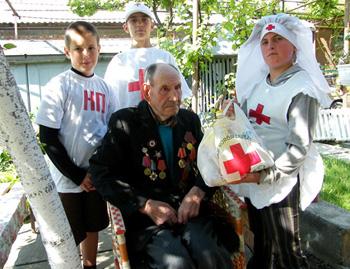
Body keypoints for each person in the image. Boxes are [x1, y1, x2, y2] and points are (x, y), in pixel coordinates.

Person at [89, 63, 237, 268]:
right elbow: (101, 173)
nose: (175, 96)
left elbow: (210, 161)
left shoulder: (189, 120)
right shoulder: (125, 122)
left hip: (190, 214)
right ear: (147, 92)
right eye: (165, 89)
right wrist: (145, 204)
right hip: (148, 223)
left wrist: (198, 192)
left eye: (177, 87)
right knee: (177, 264)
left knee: (211, 255)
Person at [229, 14, 331, 269]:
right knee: (261, 246)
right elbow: (248, 124)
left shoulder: (302, 88)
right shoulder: (256, 85)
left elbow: (299, 148)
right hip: (254, 174)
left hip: (281, 180)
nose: (270, 46)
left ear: (294, 46)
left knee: (288, 254)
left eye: (278, 39)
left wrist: (266, 175)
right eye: (265, 42)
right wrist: (233, 113)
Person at [36, 21, 118, 269]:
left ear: (99, 48)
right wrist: (76, 175)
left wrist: (95, 171)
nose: (86, 55)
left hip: (94, 176)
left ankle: (89, 265)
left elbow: (110, 133)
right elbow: (47, 138)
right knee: (71, 232)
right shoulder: (59, 85)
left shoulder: (105, 88)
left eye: (91, 48)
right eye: (79, 49)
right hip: (67, 179)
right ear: (66, 51)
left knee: (93, 226)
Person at [104, 2, 192, 109]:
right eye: (134, 20)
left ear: (152, 25)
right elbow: (108, 101)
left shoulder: (165, 57)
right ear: (126, 27)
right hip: (129, 122)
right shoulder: (118, 62)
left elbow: (180, 95)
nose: (139, 24)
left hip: (160, 122)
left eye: (144, 20)